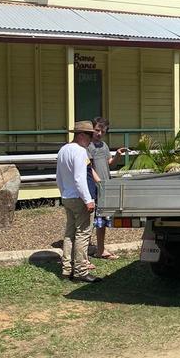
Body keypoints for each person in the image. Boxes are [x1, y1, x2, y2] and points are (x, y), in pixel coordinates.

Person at [56, 120, 101, 283]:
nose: (91, 139)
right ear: (81, 135)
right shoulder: (80, 152)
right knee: (83, 234)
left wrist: (63, 193)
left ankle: (67, 268)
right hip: (79, 197)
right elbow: (79, 178)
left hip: (68, 197)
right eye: (89, 135)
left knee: (69, 233)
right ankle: (81, 270)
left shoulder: (63, 150)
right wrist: (88, 200)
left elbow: (59, 177)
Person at [88, 117, 127, 260]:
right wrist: (98, 182)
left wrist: (117, 155)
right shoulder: (88, 146)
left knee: (102, 220)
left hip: (106, 186)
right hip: (95, 187)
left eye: (102, 131)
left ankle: (100, 248)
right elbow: (89, 167)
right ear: (92, 129)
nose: (99, 133)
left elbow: (109, 163)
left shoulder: (103, 146)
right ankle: (94, 249)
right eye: (97, 130)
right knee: (95, 219)